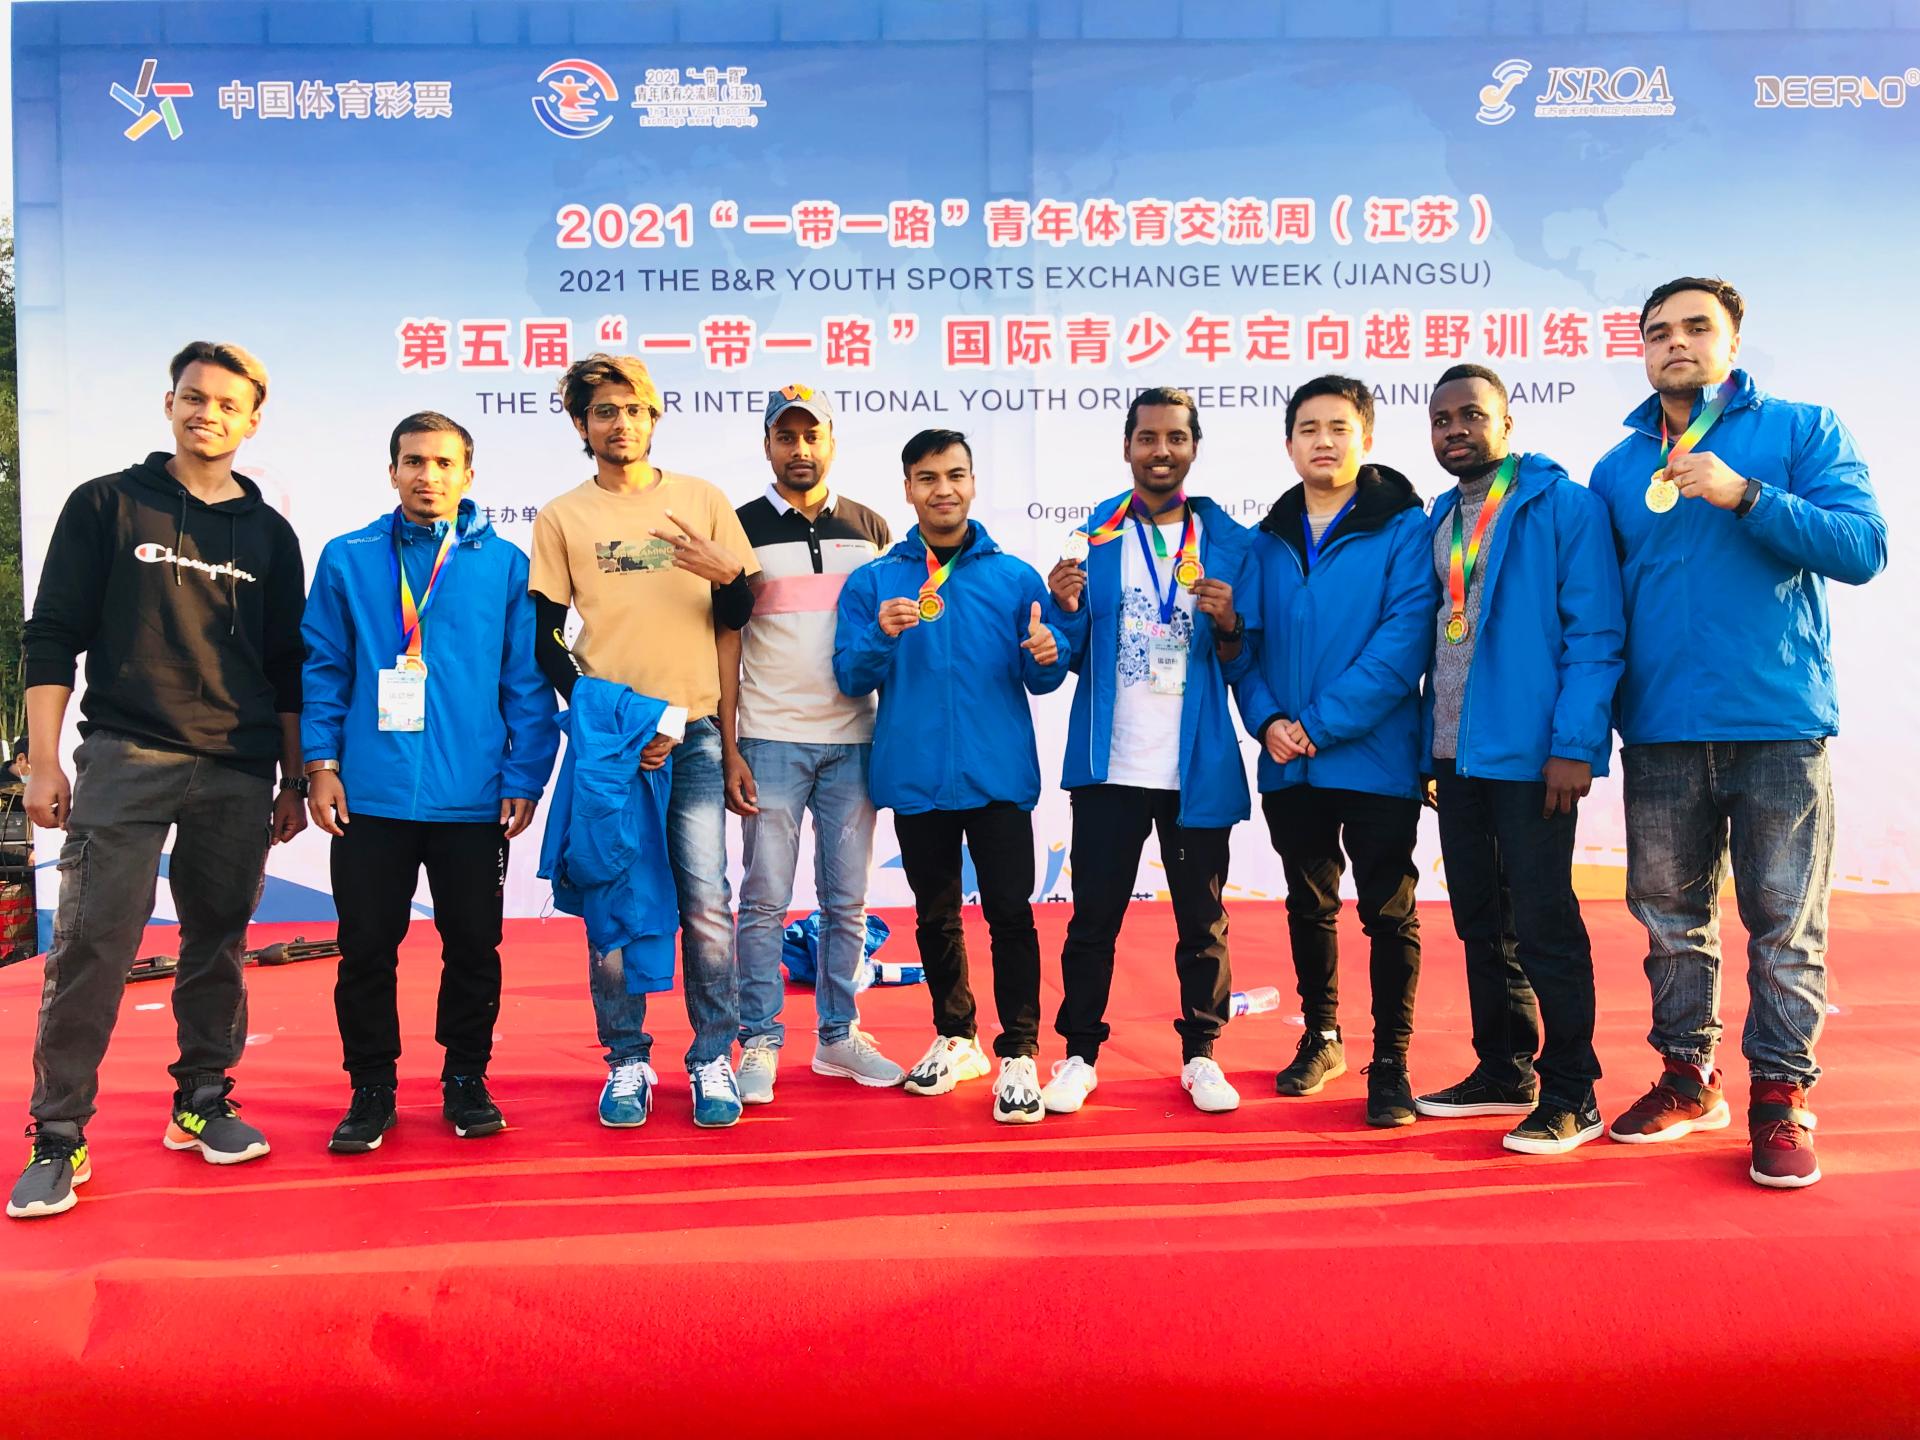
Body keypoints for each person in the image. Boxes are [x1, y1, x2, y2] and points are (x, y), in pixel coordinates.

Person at [1589, 277, 1886, 1189]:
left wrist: (1747, 495)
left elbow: (1862, 549)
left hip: (1777, 722)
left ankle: (1781, 1096)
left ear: (1733, 341)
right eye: (1658, 332)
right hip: (1661, 731)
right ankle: (1688, 1078)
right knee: (1670, 921)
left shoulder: (1801, 431)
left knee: (1784, 923)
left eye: (1696, 327)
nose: (1675, 343)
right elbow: (1599, 610)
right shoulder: (1617, 468)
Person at [9, 342, 308, 1220]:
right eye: (193, 397)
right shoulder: (107, 503)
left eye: (227, 404)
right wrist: (42, 759)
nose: (207, 413)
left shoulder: (270, 534)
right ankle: (58, 1133)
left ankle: (202, 1099)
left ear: (253, 421)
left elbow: (287, 667)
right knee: (92, 946)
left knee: (218, 942)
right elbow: (51, 634)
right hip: (126, 757)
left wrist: (293, 777)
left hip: (238, 769)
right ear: (169, 404)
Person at [300, 412, 559, 1153]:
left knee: (474, 946)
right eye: (414, 461)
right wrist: (320, 766)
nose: (428, 476)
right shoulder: (348, 558)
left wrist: (524, 775)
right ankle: (371, 1088)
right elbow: (324, 668)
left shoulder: (504, 565)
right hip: (370, 795)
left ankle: (466, 1077)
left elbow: (525, 681)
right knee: (365, 948)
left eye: (444, 463)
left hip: (472, 797)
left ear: (468, 475)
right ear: (392, 472)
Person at [529, 354, 758, 1129]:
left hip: (693, 737)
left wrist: (729, 576)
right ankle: (627, 1059)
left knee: (705, 902)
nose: (620, 423)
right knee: (612, 899)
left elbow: (737, 617)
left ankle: (713, 1058)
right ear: (580, 424)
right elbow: (546, 642)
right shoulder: (563, 516)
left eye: (633, 409)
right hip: (611, 746)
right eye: (603, 411)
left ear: (655, 417)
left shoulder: (701, 500)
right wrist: (620, 721)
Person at [1411, 366, 1624, 1155]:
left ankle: (1573, 1090)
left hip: (1534, 759)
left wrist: (1574, 745)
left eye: (1472, 415)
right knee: (1481, 920)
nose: (1455, 430)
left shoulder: (1564, 506)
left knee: (1543, 923)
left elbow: (1595, 634)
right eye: (1442, 420)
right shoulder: (1439, 517)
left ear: (1507, 421)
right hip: (1454, 756)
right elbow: (1436, 639)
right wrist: (1429, 747)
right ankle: (1504, 1070)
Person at [833, 429, 1069, 1123]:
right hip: (916, 775)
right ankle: (956, 1035)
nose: (944, 489)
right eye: (929, 477)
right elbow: (851, 676)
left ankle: (1019, 1051)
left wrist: (1050, 652)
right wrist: (880, 633)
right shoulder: (876, 581)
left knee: (1010, 916)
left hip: (998, 776)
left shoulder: (1014, 577)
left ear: (972, 483)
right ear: (908, 488)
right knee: (935, 917)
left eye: (956, 475)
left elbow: (1042, 677)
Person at [1039, 386, 1256, 1116]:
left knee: (1203, 924)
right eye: (1148, 438)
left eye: (1175, 438)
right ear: (1127, 446)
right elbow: (1066, 654)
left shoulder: (1229, 543)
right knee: (1092, 921)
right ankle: (1078, 1055)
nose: (1161, 451)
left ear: (1194, 447)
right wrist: (1064, 611)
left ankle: (1203, 1055)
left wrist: (1231, 626)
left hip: (1194, 767)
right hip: (1112, 768)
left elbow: (1247, 657)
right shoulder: (1091, 538)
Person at [1232, 375, 1435, 1128]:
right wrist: (1267, 721)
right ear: (1288, 444)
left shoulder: (1406, 528)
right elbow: (1242, 647)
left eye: (1339, 427)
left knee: (1388, 911)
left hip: (1376, 758)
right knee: (1309, 904)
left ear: (1367, 439)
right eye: (1309, 428)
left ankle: (1392, 1061)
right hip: (1289, 762)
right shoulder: (1265, 541)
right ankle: (1321, 1035)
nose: (1324, 441)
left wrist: (1316, 724)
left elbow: (1403, 642)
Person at [720, 385, 904, 1104]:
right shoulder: (738, 528)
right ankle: (760, 1041)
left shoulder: (871, 526)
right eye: (786, 436)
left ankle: (838, 1036)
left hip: (855, 739)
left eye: (811, 435)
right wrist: (731, 742)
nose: (800, 449)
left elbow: (890, 636)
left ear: (831, 441)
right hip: (769, 739)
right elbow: (725, 642)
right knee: (764, 899)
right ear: (767, 445)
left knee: (847, 901)